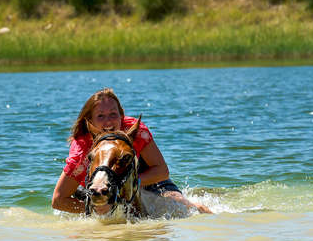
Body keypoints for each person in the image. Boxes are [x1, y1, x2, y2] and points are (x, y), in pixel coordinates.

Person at [52, 88, 211, 215]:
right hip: (98, 187)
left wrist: (128, 186)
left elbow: (162, 171)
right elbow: (58, 200)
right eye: (100, 116)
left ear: (121, 115)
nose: (108, 121)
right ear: (90, 121)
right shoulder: (82, 151)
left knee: (182, 209)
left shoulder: (137, 131)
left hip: (144, 180)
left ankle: (201, 209)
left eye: (113, 114)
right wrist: (92, 209)